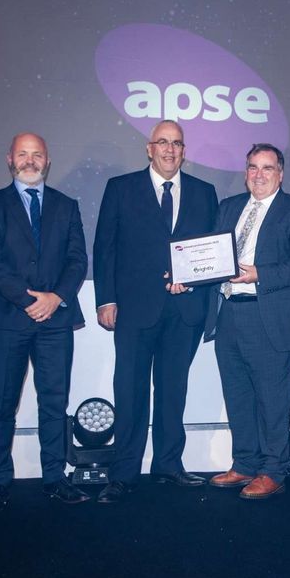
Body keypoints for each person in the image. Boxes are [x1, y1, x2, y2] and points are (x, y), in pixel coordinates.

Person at [92, 120, 218, 503]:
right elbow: (105, 248)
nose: (169, 150)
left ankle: (168, 464)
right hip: (133, 309)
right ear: (149, 148)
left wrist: (193, 281)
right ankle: (124, 472)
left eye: (177, 143)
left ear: (184, 150)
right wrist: (106, 299)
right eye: (162, 142)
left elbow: (210, 252)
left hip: (184, 311)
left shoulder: (204, 192)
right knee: (129, 390)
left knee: (172, 391)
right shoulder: (121, 188)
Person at [0, 133, 89, 513]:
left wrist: (55, 299)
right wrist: (29, 301)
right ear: (9, 158)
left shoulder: (66, 205)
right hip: (9, 321)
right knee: (1, 405)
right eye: (22, 154)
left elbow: (77, 260)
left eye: (36, 154)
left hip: (56, 320)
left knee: (55, 403)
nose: (30, 160)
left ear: (47, 160)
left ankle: (55, 478)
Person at [206, 144, 290, 499]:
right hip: (229, 315)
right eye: (253, 167)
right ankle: (244, 463)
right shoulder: (228, 208)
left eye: (267, 168)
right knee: (237, 394)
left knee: (273, 398)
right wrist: (184, 273)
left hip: (268, 315)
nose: (258, 174)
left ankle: (273, 470)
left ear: (280, 174)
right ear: (245, 172)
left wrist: (260, 274)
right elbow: (208, 256)